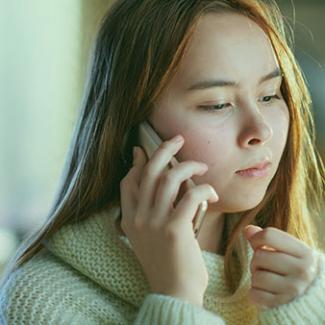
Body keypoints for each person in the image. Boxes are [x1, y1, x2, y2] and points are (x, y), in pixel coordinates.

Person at [1, 0, 324, 323]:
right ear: (135, 128)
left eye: (269, 95)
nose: (261, 130)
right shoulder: (41, 301)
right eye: (217, 104)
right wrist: (177, 297)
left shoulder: (298, 281)